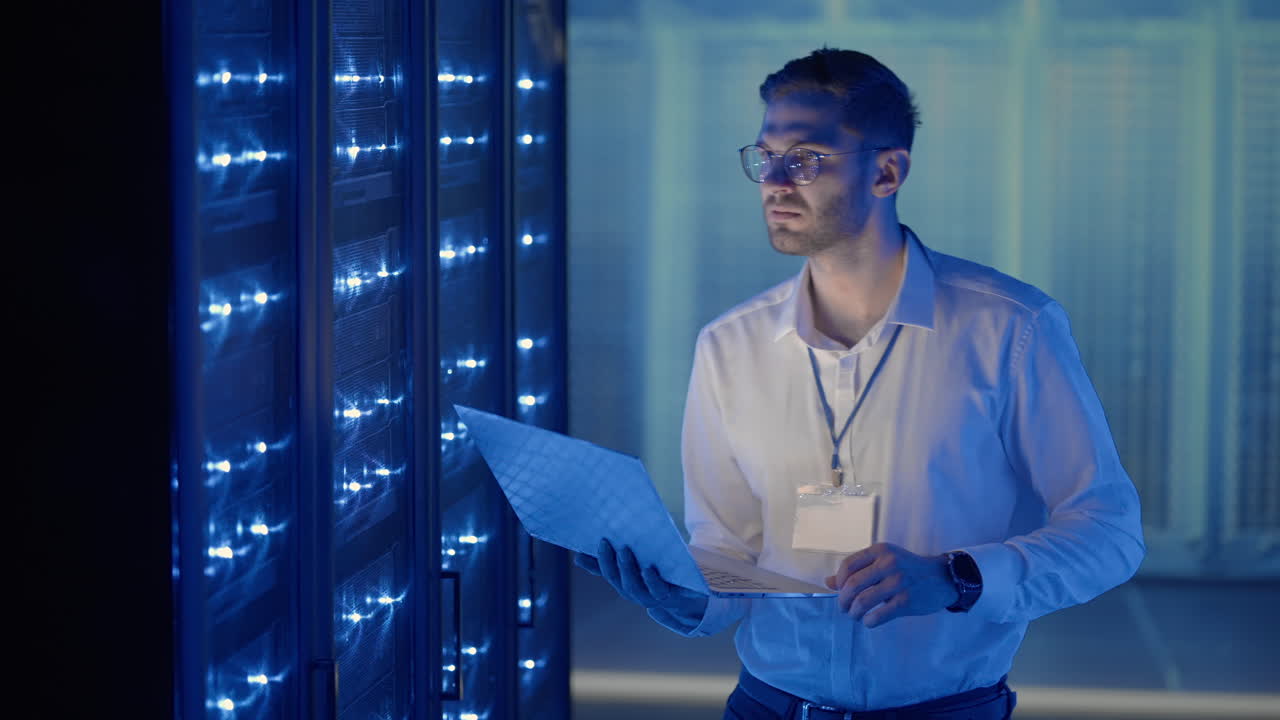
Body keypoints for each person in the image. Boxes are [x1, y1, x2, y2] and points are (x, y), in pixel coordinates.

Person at [576, 48, 1145, 720]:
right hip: (765, 707)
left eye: (805, 159)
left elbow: (1110, 532)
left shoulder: (1010, 329)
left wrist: (957, 577)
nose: (774, 182)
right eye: (766, 157)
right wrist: (689, 597)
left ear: (886, 172)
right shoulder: (729, 345)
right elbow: (730, 548)